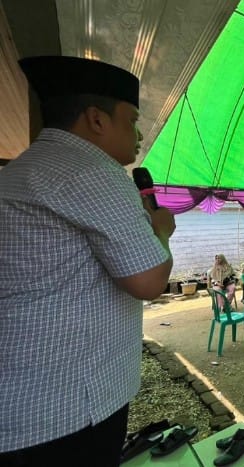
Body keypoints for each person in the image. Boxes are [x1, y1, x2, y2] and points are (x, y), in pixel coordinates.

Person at [0, 57, 175, 466]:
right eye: (132, 120)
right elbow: (150, 281)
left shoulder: (19, 173)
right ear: (97, 120)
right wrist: (161, 230)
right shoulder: (92, 171)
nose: (139, 133)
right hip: (66, 409)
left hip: (22, 403)